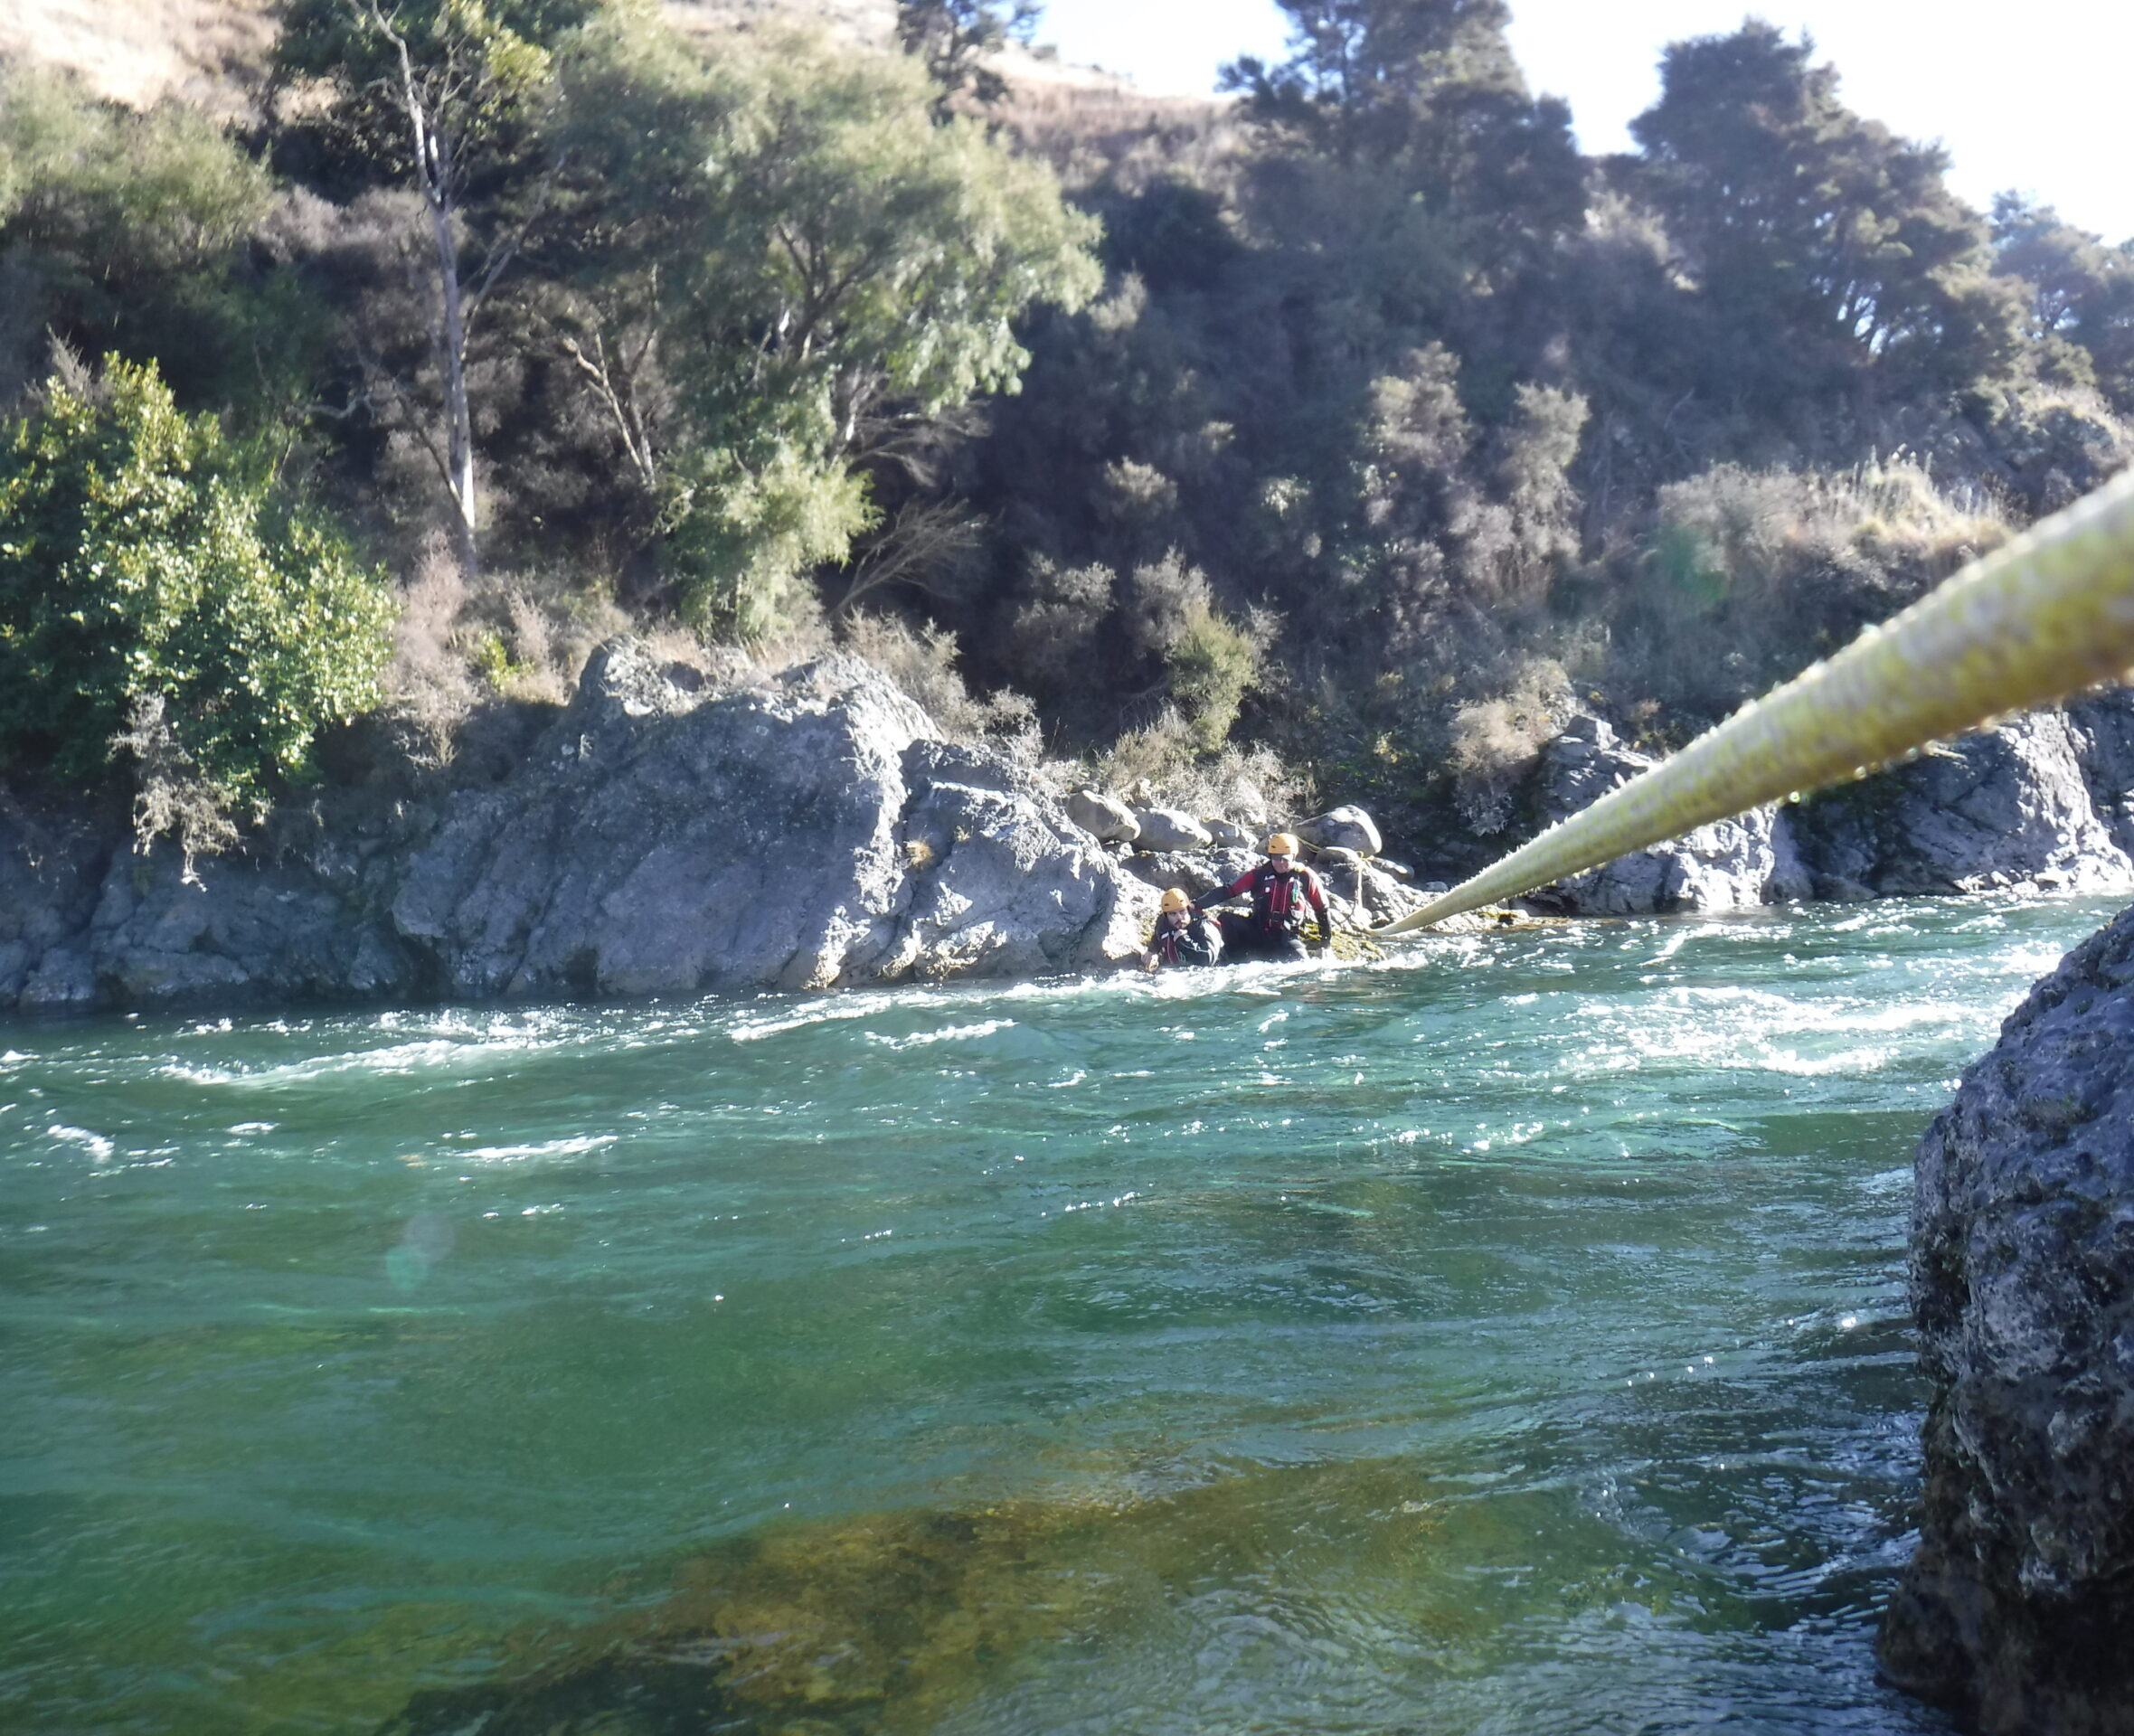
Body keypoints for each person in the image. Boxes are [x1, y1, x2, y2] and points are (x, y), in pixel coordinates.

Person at [1193, 834, 1333, 963]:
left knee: (1303, 964)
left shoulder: (1305, 877)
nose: (1280, 863)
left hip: (1286, 938)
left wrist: (1326, 944)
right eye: (1276, 858)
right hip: (1258, 932)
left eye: (1285, 858)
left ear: (1294, 856)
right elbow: (1228, 891)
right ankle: (1235, 958)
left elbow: (1322, 909)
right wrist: (1197, 905)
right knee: (1227, 919)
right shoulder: (1259, 874)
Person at [1143, 887, 1221, 970]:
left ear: (1188, 910)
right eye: (1173, 914)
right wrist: (1152, 952)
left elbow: (1208, 960)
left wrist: (1185, 941)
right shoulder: (1163, 925)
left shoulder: (1204, 927)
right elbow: (1157, 939)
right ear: (1166, 916)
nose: (1179, 918)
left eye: (1182, 912)